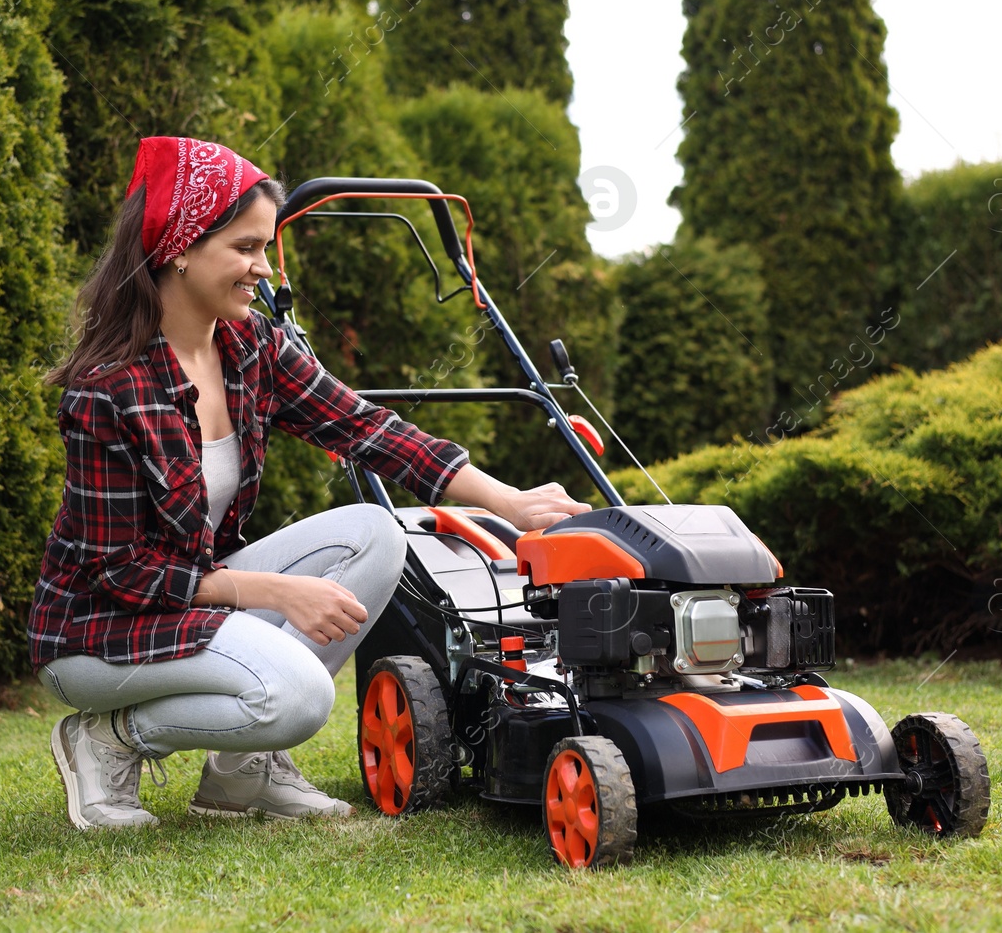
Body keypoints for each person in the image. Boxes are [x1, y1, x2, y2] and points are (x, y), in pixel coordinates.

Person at [31, 136, 591, 830]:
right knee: (297, 698)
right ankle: (106, 739)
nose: (261, 268)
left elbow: (365, 427)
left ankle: (241, 776)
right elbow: (118, 571)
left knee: (378, 534)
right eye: (244, 248)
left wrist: (507, 499)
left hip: (187, 594)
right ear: (179, 248)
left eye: (264, 246)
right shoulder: (107, 392)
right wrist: (267, 589)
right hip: (97, 632)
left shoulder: (251, 348)